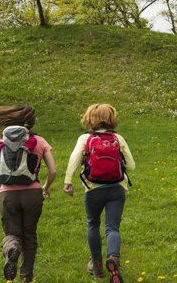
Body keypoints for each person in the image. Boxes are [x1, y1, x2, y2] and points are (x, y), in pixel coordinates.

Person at [64, 103, 136, 283]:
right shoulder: (118, 138)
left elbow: (74, 160)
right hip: (117, 189)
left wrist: (68, 181)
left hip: (93, 189)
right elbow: (132, 166)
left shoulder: (84, 138)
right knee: (112, 227)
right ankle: (113, 258)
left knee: (93, 224)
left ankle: (96, 267)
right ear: (111, 118)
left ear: (90, 118)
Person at [0, 105, 56, 283]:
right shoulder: (39, 141)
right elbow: (53, 171)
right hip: (33, 193)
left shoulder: (4, 141)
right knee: (30, 236)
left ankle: (11, 248)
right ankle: (26, 277)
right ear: (31, 123)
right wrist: (45, 187)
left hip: (8, 194)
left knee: (12, 232)